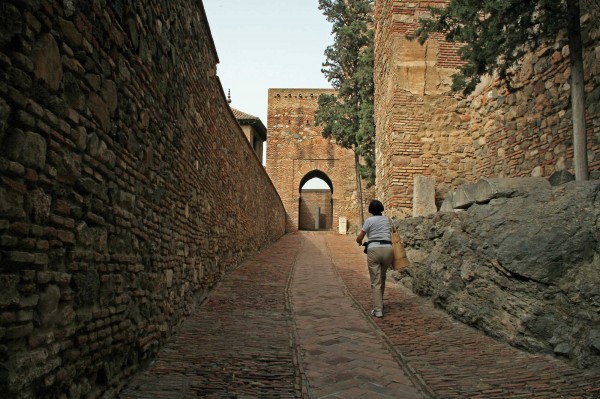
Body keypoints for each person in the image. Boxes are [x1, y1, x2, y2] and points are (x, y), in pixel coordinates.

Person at [356, 200, 394, 318]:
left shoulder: (369, 221)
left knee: (376, 281)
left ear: (371, 210)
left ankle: (378, 310)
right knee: (382, 277)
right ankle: (380, 303)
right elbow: (393, 233)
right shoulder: (388, 220)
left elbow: (360, 237)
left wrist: (359, 241)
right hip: (388, 249)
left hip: (374, 250)